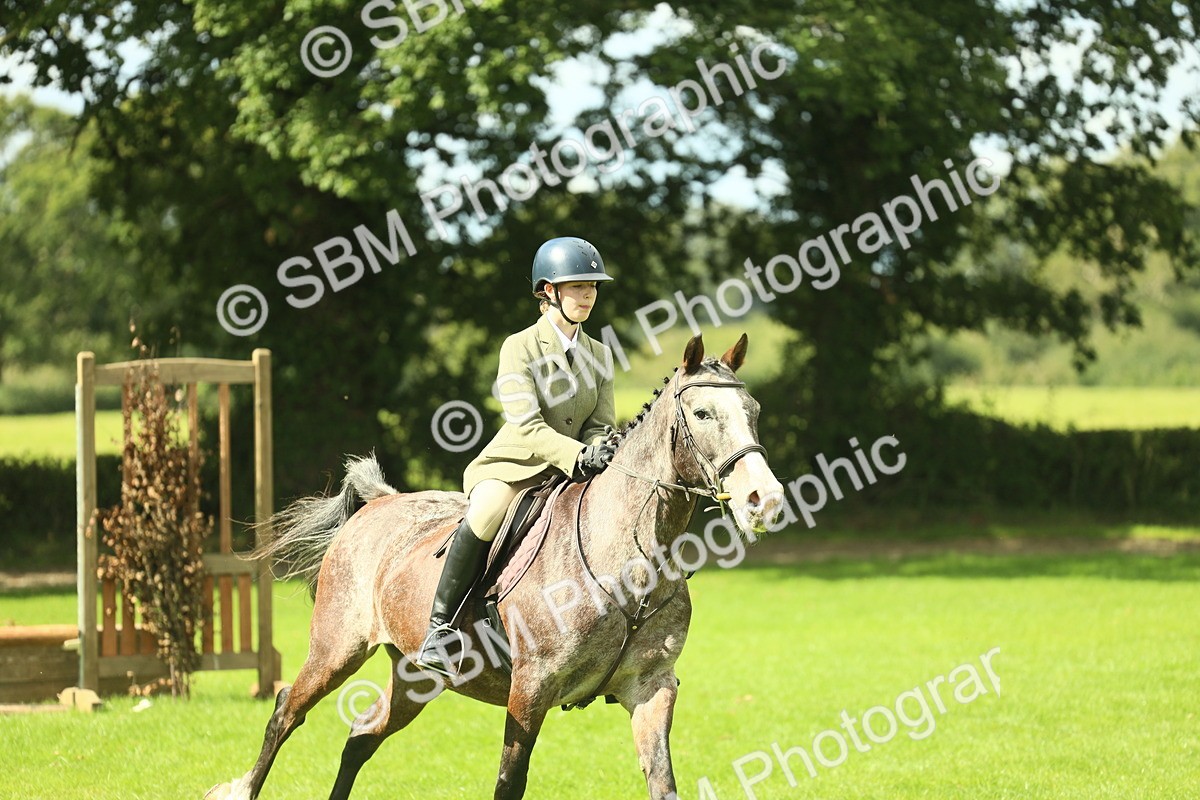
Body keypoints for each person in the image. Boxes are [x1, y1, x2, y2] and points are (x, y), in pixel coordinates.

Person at [416, 236, 618, 677]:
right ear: (548, 291)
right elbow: (525, 424)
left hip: (573, 471)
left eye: (593, 286)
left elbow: (601, 422)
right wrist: (580, 453)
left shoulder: (600, 355)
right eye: (577, 286)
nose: (588, 294)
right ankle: (440, 629)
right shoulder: (519, 347)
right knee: (487, 512)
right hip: (516, 466)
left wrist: (601, 446)